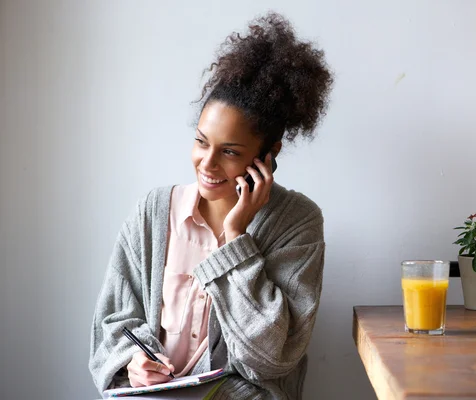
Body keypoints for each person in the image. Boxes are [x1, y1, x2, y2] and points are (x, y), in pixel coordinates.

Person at [88, 11, 334, 399]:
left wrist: (237, 237)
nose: (207, 163)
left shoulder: (297, 222)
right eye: (201, 141)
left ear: (268, 155)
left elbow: (271, 358)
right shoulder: (153, 212)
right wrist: (133, 362)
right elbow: (114, 322)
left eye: (230, 151)